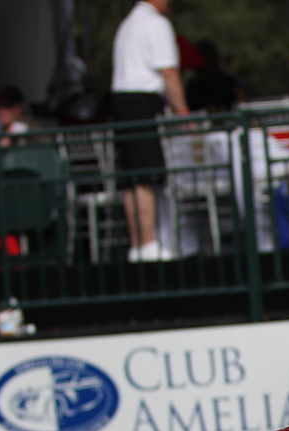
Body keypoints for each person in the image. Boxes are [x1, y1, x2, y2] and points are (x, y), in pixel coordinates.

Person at [110, 0, 189, 263]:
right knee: (143, 175)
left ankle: (139, 244)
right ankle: (149, 243)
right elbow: (168, 72)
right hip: (140, 103)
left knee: (132, 177)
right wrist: (183, 113)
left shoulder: (128, 24)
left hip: (122, 101)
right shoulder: (155, 24)